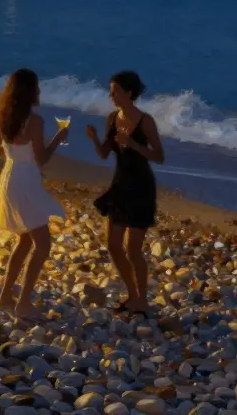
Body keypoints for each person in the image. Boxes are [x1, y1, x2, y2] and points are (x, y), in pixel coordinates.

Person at [0, 69, 68, 321]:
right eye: (37, 88)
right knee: (42, 243)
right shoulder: (34, 122)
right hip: (25, 180)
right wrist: (58, 139)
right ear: (30, 92)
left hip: (9, 176)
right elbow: (42, 158)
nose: (40, 92)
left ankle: (5, 297)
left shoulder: (2, 117)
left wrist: (16, 152)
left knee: (24, 240)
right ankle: (23, 302)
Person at [86, 71, 165, 316]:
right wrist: (93, 138)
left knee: (133, 250)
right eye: (111, 91)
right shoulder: (111, 118)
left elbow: (159, 156)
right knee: (113, 245)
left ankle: (142, 300)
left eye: (116, 91)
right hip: (120, 184)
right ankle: (132, 294)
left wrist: (133, 145)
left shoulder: (145, 121)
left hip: (141, 186)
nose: (111, 96)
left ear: (129, 93)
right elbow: (103, 154)